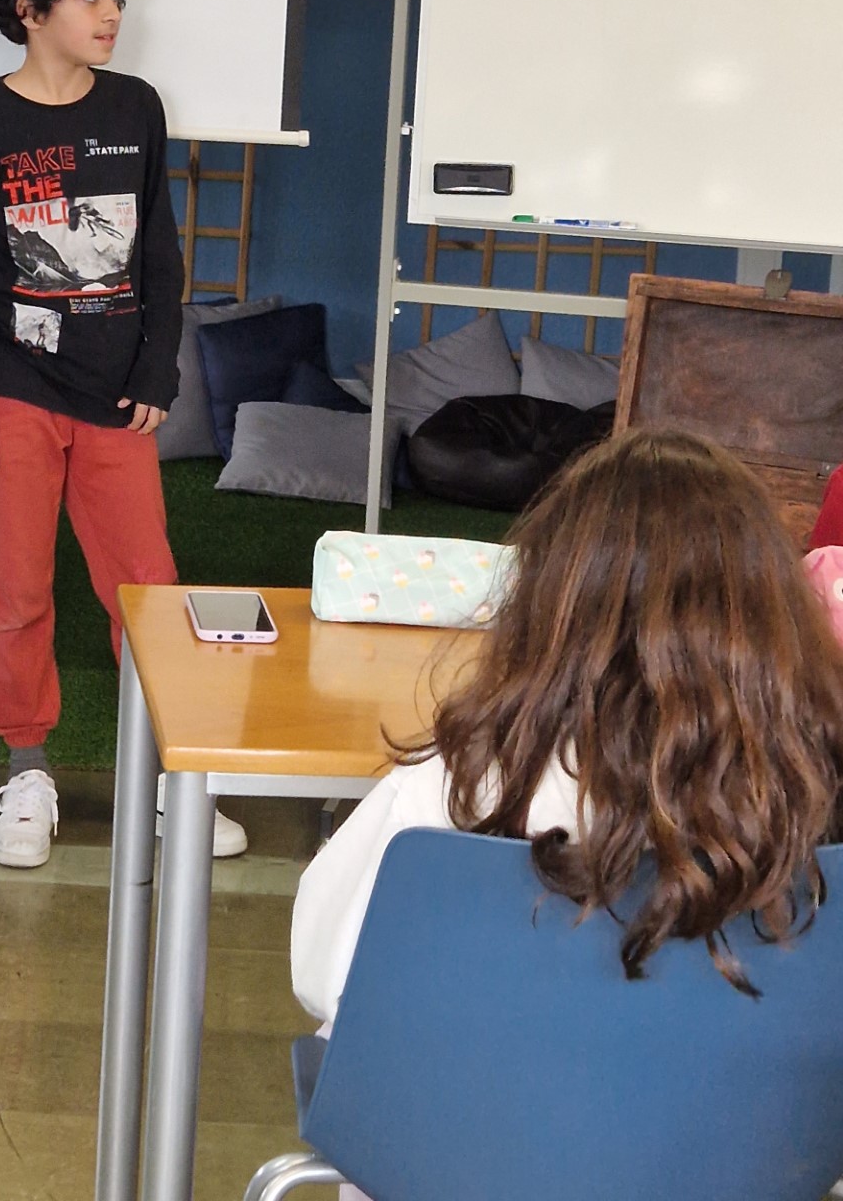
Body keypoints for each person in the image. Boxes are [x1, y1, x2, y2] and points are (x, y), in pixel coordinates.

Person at [292, 427, 843, 1029]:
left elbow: (326, 978)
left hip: (485, 1086)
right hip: (742, 1088)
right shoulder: (816, 783)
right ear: (775, 616)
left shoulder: (452, 787)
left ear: (549, 605)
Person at [0, 0, 247, 866]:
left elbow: (159, 254)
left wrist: (157, 367)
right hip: (9, 388)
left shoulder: (135, 106)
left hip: (116, 399)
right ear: (29, 10)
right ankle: (27, 772)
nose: (111, 14)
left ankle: (168, 777)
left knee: (146, 591)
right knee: (16, 591)